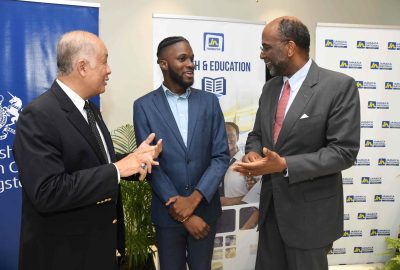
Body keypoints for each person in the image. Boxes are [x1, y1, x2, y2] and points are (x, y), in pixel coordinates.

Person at [13, 30, 162, 270]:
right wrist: (117, 169)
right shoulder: (39, 115)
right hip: (62, 256)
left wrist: (135, 159)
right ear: (82, 66)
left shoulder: (90, 110)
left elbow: (98, 163)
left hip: (97, 250)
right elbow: (47, 191)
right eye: (104, 61)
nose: (109, 69)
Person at [233, 16, 360, 270]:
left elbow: (343, 152)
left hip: (309, 219)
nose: (261, 55)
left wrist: (283, 165)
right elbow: (257, 134)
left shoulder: (337, 87)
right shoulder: (270, 89)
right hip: (270, 214)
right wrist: (253, 154)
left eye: (266, 47)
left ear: (290, 47)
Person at [133, 36, 230, 270]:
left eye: (192, 59)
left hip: (205, 211)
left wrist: (194, 200)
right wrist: (182, 212)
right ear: (163, 64)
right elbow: (150, 163)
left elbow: (220, 156)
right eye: (182, 58)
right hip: (168, 214)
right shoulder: (144, 106)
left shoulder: (209, 102)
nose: (190, 64)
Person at [220, 122, 259, 206]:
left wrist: (230, 201)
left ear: (237, 137)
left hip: (243, 216)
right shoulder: (215, 165)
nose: (225, 138)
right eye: (221, 135)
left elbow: (260, 194)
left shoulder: (248, 162)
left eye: (230, 135)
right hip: (219, 217)